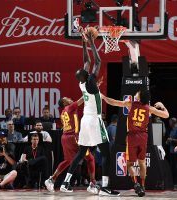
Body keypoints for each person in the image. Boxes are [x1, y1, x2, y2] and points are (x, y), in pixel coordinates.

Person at [60, 30, 119, 196]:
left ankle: (65, 182)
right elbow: (97, 60)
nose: (88, 68)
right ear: (87, 75)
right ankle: (105, 187)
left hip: (85, 120)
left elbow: (86, 60)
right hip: (94, 120)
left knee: (80, 153)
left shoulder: (82, 83)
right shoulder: (91, 83)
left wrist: (84, 41)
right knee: (107, 153)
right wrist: (92, 41)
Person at [102, 88, 169, 196]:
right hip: (143, 136)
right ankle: (142, 186)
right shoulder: (149, 108)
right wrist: (162, 106)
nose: (135, 93)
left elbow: (114, 102)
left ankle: (136, 183)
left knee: (129, 164)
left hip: (132, 136)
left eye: (137, 93)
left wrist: (104, 97)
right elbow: (166, 115)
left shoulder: (131, 104)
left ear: (140, 96)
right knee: (142, 163)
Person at [45, 97, 97, 194]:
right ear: (64, 102)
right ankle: (92, 184)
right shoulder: (70, 107)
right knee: (90, 158)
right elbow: (82, 99)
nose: (70, 99)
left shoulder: (63, 112)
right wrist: (88, 89)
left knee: (68, 161)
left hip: (65, 137)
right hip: (74, 138)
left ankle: (51, 179)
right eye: (67, 99)